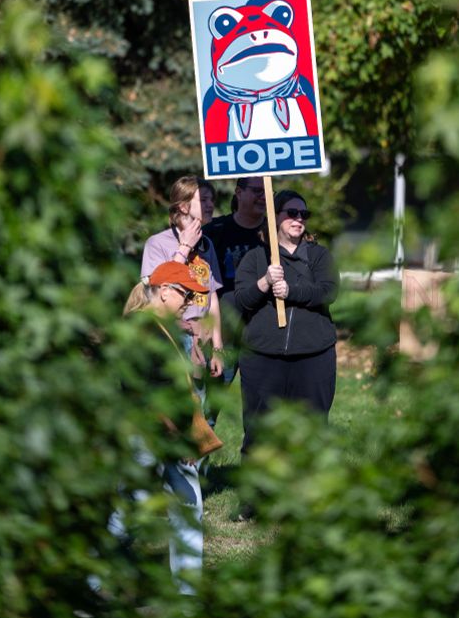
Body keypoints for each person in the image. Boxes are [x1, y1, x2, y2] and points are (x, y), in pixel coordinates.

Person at [122, 260, 221, 594]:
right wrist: (178, 438)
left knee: (187, 507)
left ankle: (188, 595)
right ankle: (93, 583)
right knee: (128, 511)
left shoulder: (164, 329)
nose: (189, 302)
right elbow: (144, 391)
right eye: (185, 294)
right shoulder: (143, 329)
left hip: (169, 437)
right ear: (164, 291)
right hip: (150, 436)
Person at [234, 188, 339, 454]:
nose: (299, 219)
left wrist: (291, 291)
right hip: (263, 357)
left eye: (304, 214)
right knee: (259, 432)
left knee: (312, 432)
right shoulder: (256, 257)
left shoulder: (318, 256)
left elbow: (329, 291)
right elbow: (242, 300)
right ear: (274, 217)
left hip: (313, 356)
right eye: (291, 213)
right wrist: (264, 282)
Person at [141, 176, 224, 382]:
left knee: (200, 409)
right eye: (203, 200)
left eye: (211, 199)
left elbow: (211, 296)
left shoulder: (207, 245)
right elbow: (156, 293)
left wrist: (218, 347)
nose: (210, 204)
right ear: (184, 207)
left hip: (201, 339)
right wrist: (184, 248)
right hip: (172, 338)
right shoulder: (157, 243)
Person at [203, 176, 266, 383]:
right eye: (257, 191)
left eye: (267, 191)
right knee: (209, 404)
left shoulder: (275, 233)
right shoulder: (214, 231)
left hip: (265, 334)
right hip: (225, 334)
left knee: (263, 407)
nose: (263, 197)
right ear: (239, 193)